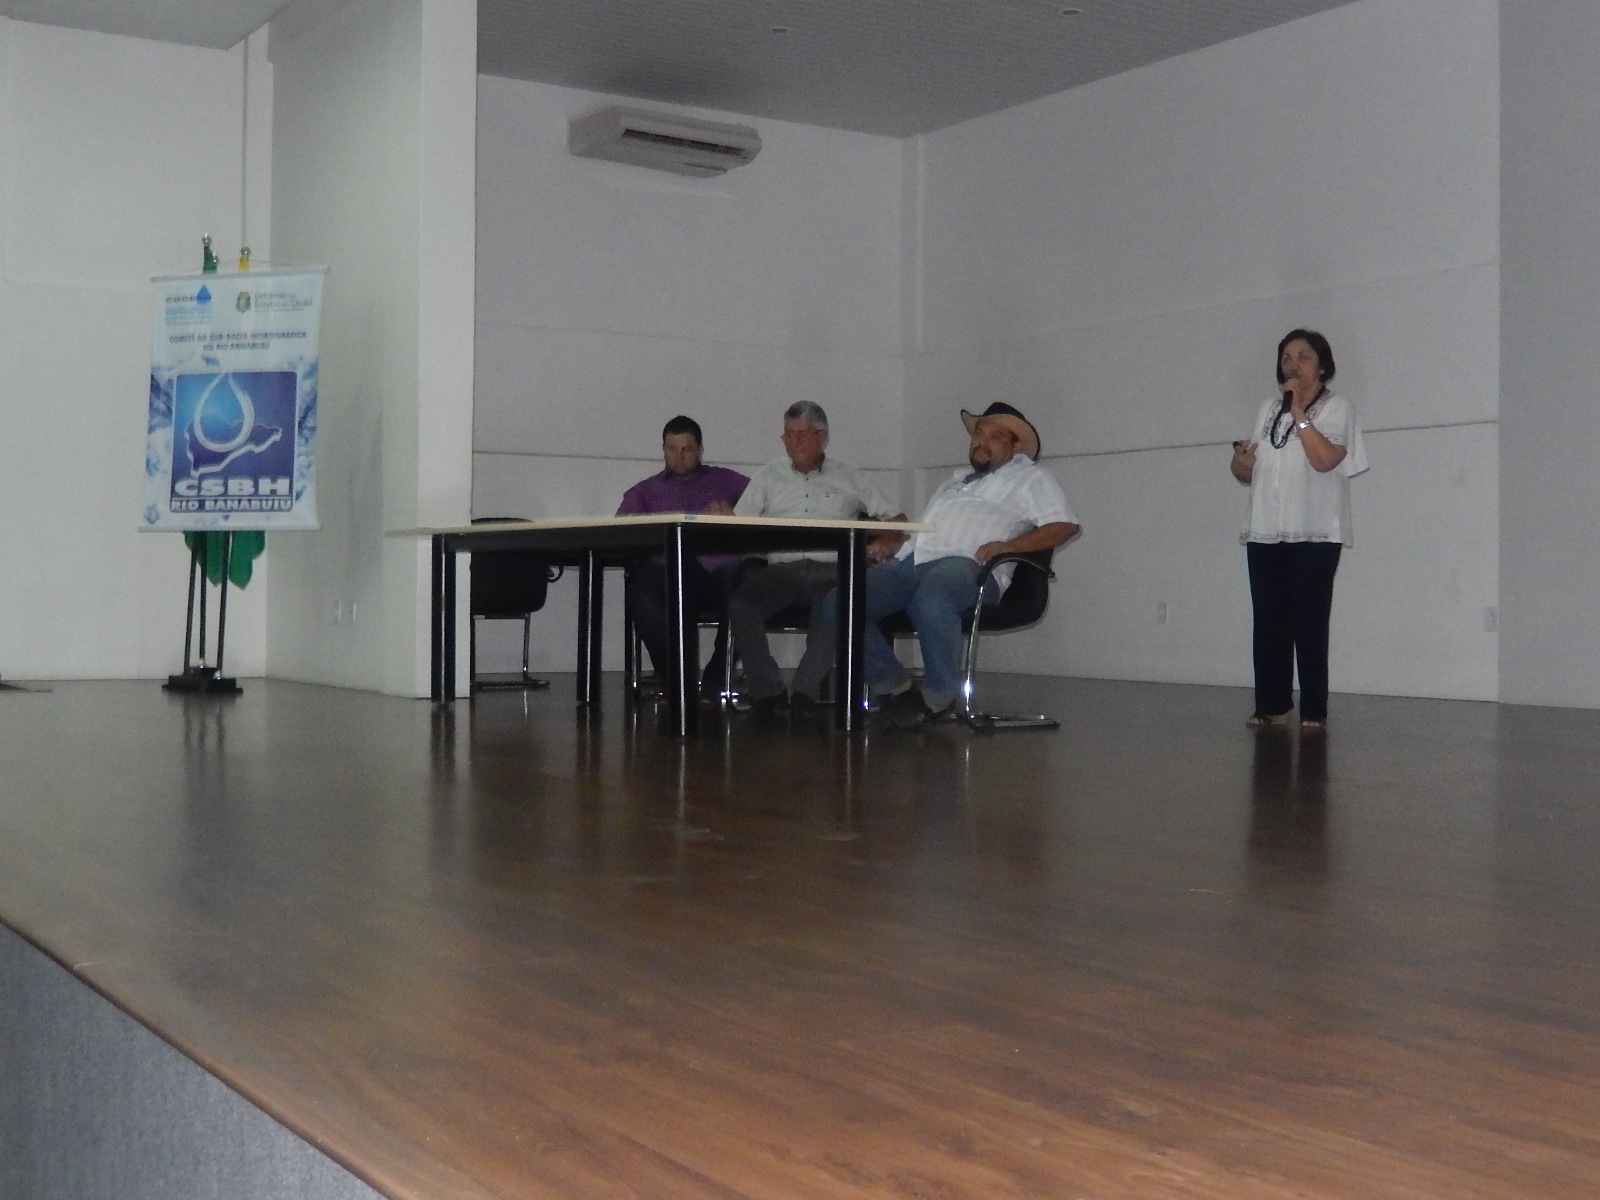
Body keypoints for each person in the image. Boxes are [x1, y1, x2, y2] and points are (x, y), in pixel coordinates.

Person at [819, 401, 1079, 727]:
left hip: (969, 566)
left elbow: (1064, 525)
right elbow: (928, 534)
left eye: (996, 436)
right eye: (978, 434)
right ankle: (895, 688)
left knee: (932, 600)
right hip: (912, 562)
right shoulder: (952, 483)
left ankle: (938, 696)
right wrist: (890, 545)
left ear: (1015, 447)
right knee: (839, 603)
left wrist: (1009, 547)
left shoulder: (1031, 478)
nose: (982, 442)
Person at [1229, 329, 1369, 731]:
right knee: (1268, 620)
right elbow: (1248, 471)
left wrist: (1300, 414)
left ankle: (1313, 709)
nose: (1293, 364)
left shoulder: (1338, 407)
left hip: (1315, 531)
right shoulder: (1267, 409)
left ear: (1322, 366)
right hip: (1266, 529)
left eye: (1303, 356)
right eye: (1286, 357)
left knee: (1308, 620)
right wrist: (1240, 463)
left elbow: (1325, 460)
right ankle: (1271, 704)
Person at [729, 401, 904, 714]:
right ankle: (766, 692)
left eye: (802, 434)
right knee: (741, 603)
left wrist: (883, 544)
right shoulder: (768, 476)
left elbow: (897, 520)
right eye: (789, 434)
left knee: (835, 603)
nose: (794, 442)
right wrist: (727, 521)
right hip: (781, 571)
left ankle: (804, 693)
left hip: (832, 570)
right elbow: (738, 526)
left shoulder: (850, 476)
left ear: (823, 437)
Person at [616, 415, 749, 694]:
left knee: (749, 588)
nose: (679, 456)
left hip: (718, 571)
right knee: (641, 592)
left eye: (687, 449)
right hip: (665, 572)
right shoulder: (644, 491)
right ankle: (678, 678)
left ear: (700, 450)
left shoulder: (727, 480)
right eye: (672, 449)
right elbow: (622, 529)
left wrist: (739, 515)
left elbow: (768, 504)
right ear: (663, 450)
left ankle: (718, 675)